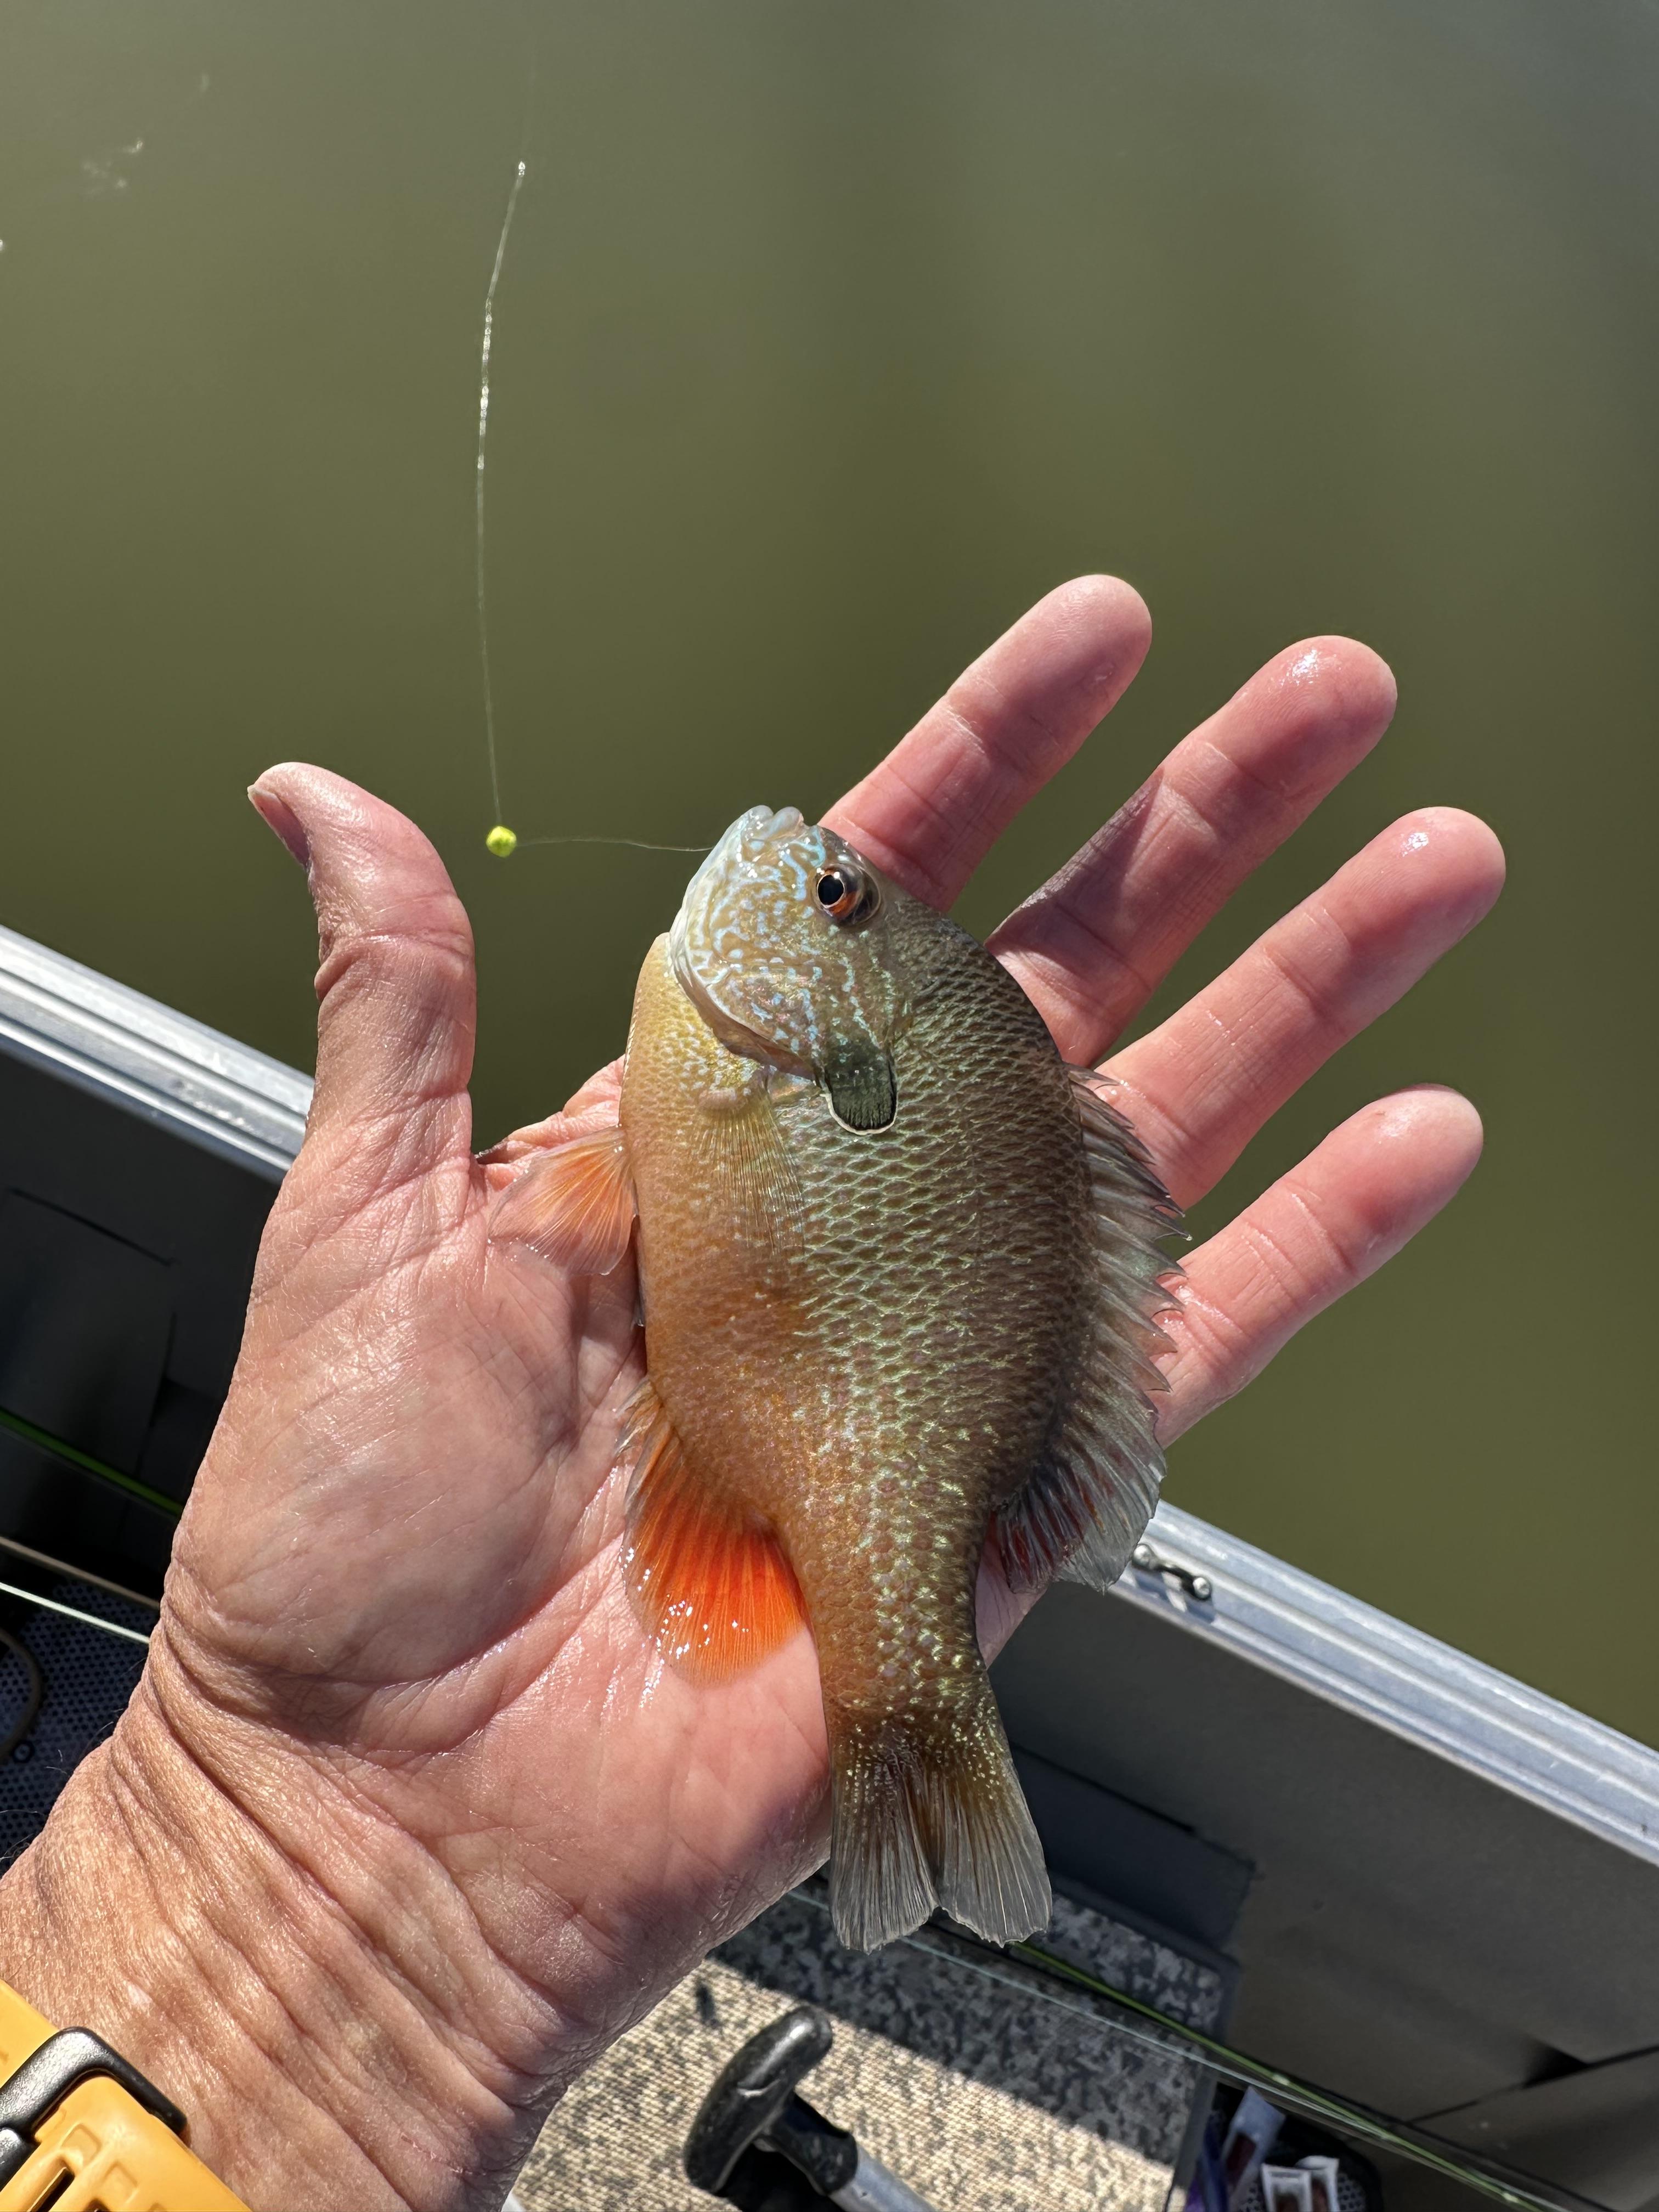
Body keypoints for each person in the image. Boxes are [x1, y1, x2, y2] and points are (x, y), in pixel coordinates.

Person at [0, 580, 1502, 2209]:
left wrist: (246, 1863)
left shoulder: (799, 1065)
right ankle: (916, 1749)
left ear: (854, 1033)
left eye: (835, 898)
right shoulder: (784, 1063)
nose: (807, 867)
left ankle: (914, 1729)